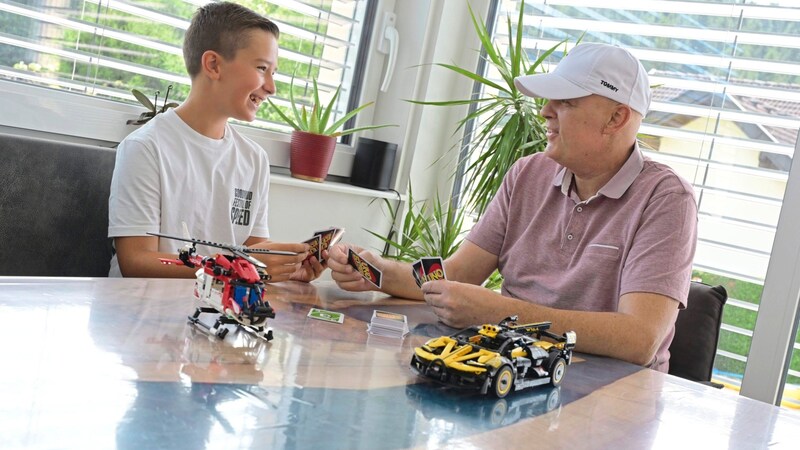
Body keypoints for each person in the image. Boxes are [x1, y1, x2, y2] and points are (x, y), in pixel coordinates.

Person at [327, 43, 698, 372]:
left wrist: (501, 314)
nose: (545, 112)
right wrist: (381, 273)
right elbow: (458, 272)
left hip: (611, 396)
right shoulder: (528, 173)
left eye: (565, 102)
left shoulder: (666, 199)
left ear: (617, 118)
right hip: (515, 367)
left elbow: (639, 339)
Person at [108, 2, 322, 282]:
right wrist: (239, 267)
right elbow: (136, 261)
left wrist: (288, 267)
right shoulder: (146, 148)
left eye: (274, 73)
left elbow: (253, 249)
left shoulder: (253, 159)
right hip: (145, 311)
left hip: (218, 312)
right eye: (261, 68)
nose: (271, 87)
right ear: (213, 65)